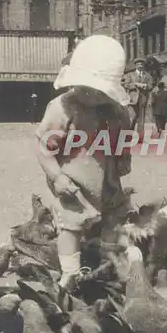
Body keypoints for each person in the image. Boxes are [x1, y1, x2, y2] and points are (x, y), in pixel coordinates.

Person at [35, 35, 133, 290]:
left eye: (98, 92)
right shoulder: (62, 108)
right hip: (75, 180)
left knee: (115, 217)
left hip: (109, 178)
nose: (90, 96)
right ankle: (70, 272)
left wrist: (123, 156)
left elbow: (123, 136)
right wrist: (57, 176)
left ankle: (107, 261)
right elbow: (44, 146)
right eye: (84, 88)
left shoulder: (117, 111)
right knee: (72, 224)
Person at [123, 57, 153, 136]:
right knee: (132, 117)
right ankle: (129, 135)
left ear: (143, 65)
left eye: (142, 64)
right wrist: (135, 84)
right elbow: (126, 85)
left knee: (141, 119)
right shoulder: (130, 75)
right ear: (135, 65)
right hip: (133, 99)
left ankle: (140, 137)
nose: (140, 65)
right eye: (138, 64)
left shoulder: (148, 76)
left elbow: (151, 86)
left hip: (143, 99)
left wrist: (145, 86)